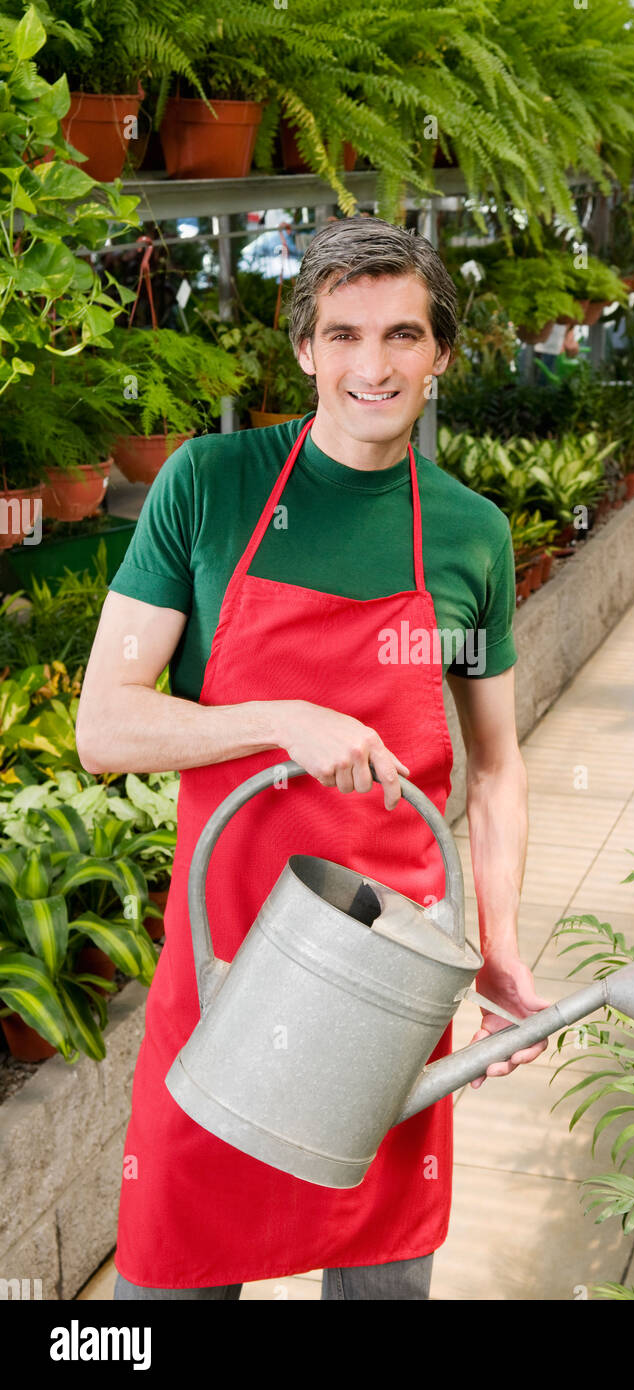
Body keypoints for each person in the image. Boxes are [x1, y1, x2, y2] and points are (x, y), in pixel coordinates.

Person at [76, 215, 551, 1302]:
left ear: (440, 352)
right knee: (170, 1282)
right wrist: (279, 718)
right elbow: (104, 726)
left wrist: (499, 944)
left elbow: (495, 765)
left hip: (388, 992)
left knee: (382, 1284)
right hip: (223, 968)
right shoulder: (210, 486)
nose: (370, 367)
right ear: (303, 348)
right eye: (341, 335)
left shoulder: (468, 536)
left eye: (400, 336)